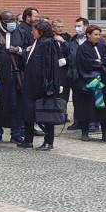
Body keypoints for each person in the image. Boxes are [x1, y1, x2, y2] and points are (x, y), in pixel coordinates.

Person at [19, 20, 61, 151]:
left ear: (41, 31)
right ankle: (28, 140)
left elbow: (51, 67)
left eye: (34, 30)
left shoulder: (48, 43)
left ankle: (48, 141)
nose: (31, 32)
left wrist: (50, 86)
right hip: (31, 84)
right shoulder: (37, 42)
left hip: (42, 85)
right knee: (29, 112)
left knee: (47, 113)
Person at [0, 11, 29, 144]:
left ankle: (15, 133)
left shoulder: (20, 33)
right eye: (9, 20)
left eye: (13, 20)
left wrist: (17, 50)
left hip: (16, 75)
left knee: (15, 104)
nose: (13, 22)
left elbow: (27, 49)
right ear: (2, 21)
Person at [73, 24, 106, 142]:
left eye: (99, 34)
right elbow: (87, 64)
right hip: (89, 81)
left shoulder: (102, 46)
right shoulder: (82, 48)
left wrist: (100, 62)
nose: (98, 37)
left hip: (103, 82)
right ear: (88, 35)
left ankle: (105, 133)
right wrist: (100, 64)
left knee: (103, 108)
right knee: (86, 107)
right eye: (96, 34)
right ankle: (85, 132)